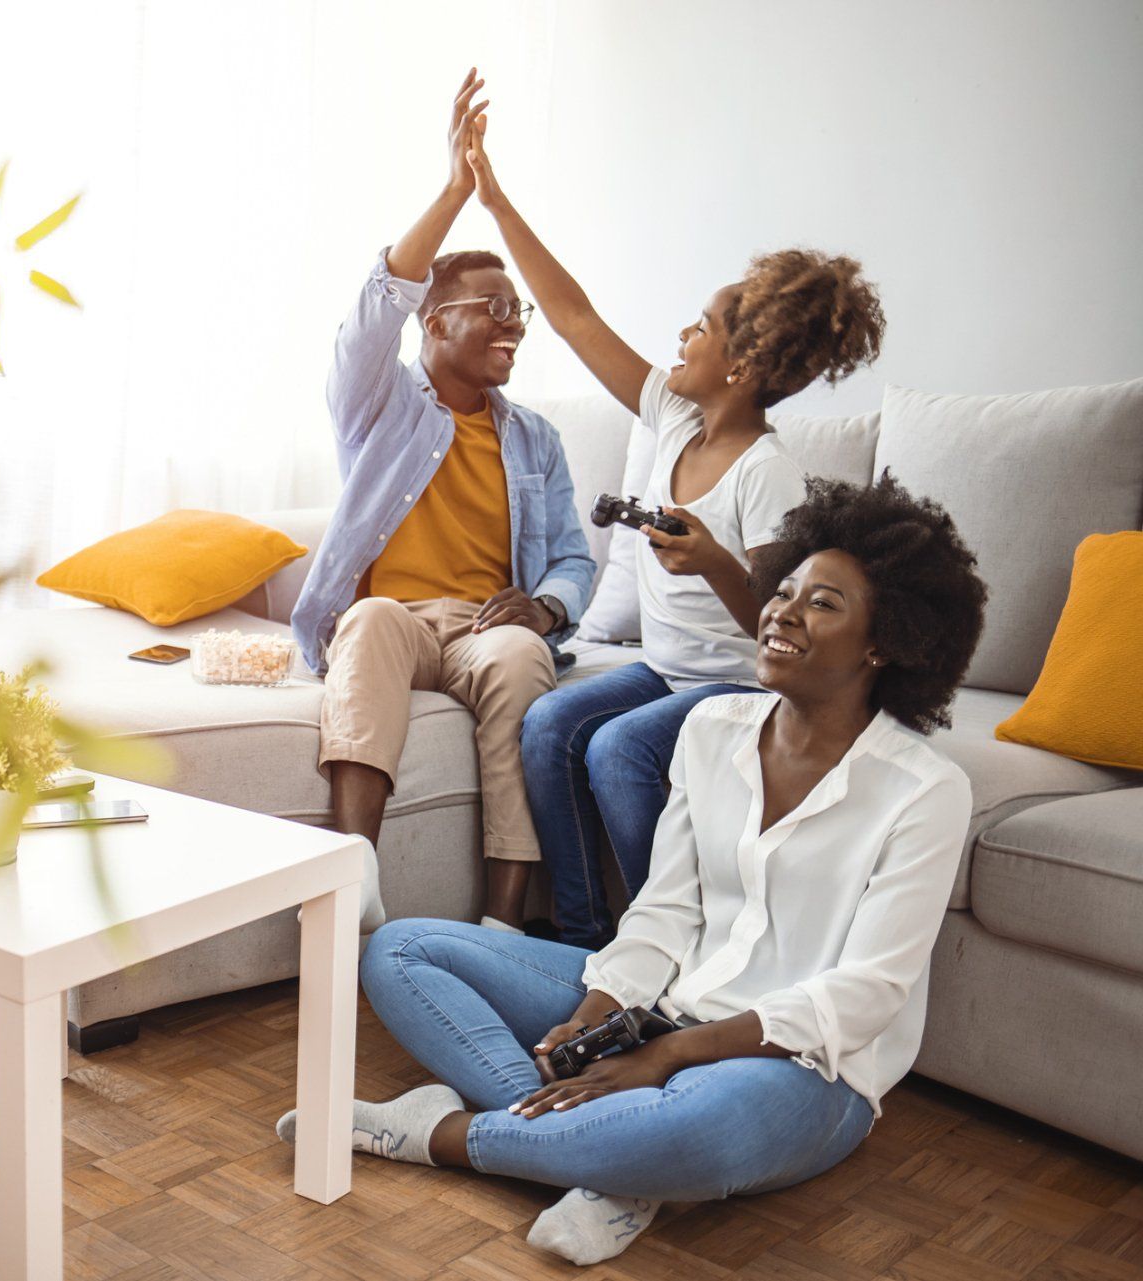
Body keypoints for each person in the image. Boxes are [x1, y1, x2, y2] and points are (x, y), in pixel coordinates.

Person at [277, 475, 988, 1266]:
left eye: (823, 604)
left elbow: (865, 995)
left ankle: (438, 1133)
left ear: (882, 642)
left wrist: (668, 1055)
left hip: (802, 1067)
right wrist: (598, 1011)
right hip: (657, 1004)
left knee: (702, 1129)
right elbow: (665, 910)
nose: (782, 611)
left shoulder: (925, 789)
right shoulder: (713, 729)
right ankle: (613, 1162)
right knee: (400, 950)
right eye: (783, 590)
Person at [448, 112, 888, 946]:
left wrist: (715, 559)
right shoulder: (674, 416)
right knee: (548, 723)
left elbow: (778, 620)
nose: (681, 334)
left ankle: (676, 942)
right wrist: (495, 203)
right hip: (665, 668)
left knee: (617, 751)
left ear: (743, 365)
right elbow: (574, 316)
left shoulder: (767, 469)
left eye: (701, 326)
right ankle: (583, 934)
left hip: (739, 688)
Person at [291, 68, 595, 932]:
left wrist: (543, 605)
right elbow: (373, 307)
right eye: (493, 307)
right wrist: (459, 189)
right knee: (373, 622)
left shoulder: (534, 438)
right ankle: (357, 886)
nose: (513, 324)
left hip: (480, 625)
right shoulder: (380, 405)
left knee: (517, 661)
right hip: (396, 617)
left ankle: (502, 925)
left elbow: (575, 554)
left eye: (520, 311)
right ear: (435, 321)